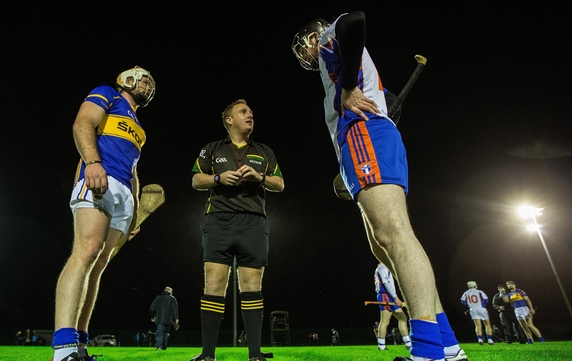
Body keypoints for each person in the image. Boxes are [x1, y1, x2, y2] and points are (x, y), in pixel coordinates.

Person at [291, 11, 468, 361]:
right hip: (365, 137)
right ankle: (446, 343)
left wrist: (347, 89)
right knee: (383, 246)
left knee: (395, 235)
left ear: (311, 39)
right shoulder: (336, 62)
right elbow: (376, 92)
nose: (305, 54)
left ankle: (430, 350)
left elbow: (353, 20)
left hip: (364, 133)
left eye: (303, 47)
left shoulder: (327, 37)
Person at [51, 66, 156, 361]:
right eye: (143, 79)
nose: (147, 85)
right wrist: (92, 162)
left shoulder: (138, 127)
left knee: (98, 268)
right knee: (85, 252)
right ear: (128, 80)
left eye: (150, 83)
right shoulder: (108, 94)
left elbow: (134, 170)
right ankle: (62, 349)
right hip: (100, 178)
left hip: (123, 193)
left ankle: (80, 346)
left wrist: (134, 208)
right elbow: (82, 123)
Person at [190, 99, 285, 361]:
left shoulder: (264, 151)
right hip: (218, 219)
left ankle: (255, 354)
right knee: (214, 283)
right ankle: (208, 354)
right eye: (244, 112)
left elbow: (280, 183)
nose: (250, 115)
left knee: (252, 284)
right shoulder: (212, 148)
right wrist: (219, 178)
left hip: (254, 220)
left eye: (252, 112)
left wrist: (260, 177)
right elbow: (197, 179)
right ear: (229, 120)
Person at [374, 263, 412, 350]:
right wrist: (396, 298)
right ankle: (381, 346)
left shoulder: (383, 268)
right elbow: (386, 283)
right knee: (385, 321)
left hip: (388, 295)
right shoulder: (383, 268)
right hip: (386, 296)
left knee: (403, 318)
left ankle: (408, 343)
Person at [460, 281, 494, 345]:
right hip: (481, 308)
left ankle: (480, 339)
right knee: (487, 324)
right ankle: (490, 340)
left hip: (473, 309)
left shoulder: (466, 293)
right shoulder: (479, 292)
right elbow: (486, 300)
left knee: (477, 325)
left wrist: (470, 305)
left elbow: (462, 301)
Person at [150, 286, 180, 350]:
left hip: (159, 319)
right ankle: (164, 346)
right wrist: (176, 318)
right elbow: (175, 309)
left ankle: (159, 347)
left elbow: (152, 308)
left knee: (159, 332)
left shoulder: (158, 298)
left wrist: (152, 316)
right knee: (166, 333)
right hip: (168, 319)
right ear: (169, 291)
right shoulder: (172, 298)